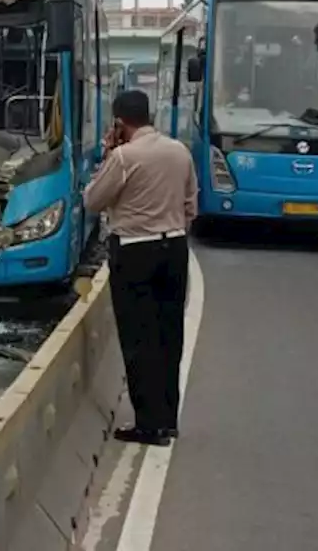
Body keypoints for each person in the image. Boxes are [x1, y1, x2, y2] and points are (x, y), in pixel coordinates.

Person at [84, 90, 197, 447]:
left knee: (139, 338)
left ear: (119, 122)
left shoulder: (122, 157)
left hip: (135, 252)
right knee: (168, 334)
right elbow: (191, 204)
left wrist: (106, 154)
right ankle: (167, 419)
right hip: (175, 247)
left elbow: (92, 201)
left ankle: (148, 425)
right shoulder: (180, 151)